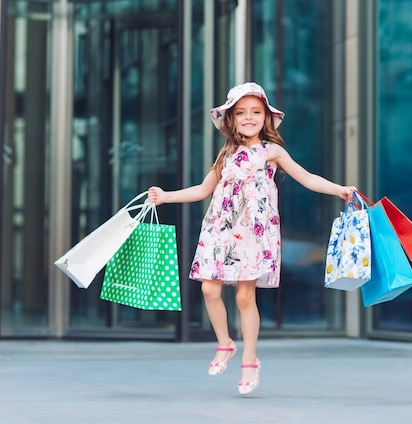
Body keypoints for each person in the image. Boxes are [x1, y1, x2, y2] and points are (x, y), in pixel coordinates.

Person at [148, 82, 357, 395]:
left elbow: (306, 177)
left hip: (253, 233)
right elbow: (203, 190)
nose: (249, 117)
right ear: (230, 119)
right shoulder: (226, 154)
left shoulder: (271, 151)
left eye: (256, 112)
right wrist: (166, 196)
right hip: (220, 229)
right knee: (209, 289)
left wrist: (338, 189)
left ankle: (250, 358)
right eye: (241, 112)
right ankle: (225, 343)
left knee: (245, 297)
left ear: (266, 118)